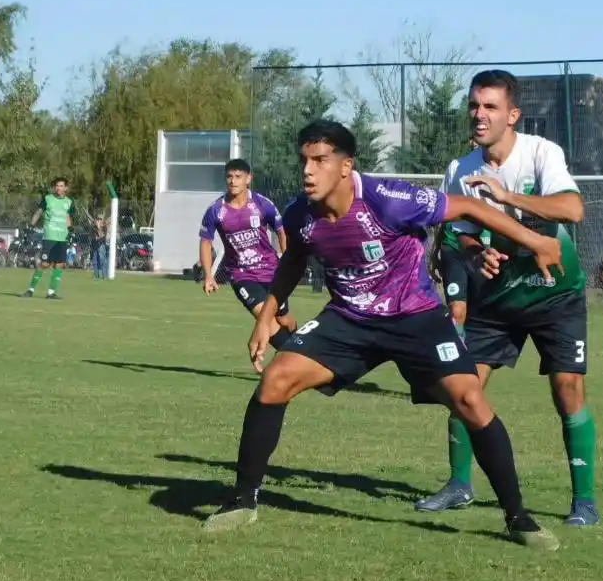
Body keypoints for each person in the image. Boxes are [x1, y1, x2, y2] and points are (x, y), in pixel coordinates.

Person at [202, 119, 565, 549]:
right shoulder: (300, 212)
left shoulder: (389, 199)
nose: (308, 171)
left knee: (469, 398)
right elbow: (294, 259)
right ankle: (243, 500)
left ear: (345, 165)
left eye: (320, 160)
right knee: (276, 379)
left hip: (415, 316)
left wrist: (534, 241)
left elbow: (469, 208)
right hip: (349, 318)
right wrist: (266, 319)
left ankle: (519, 518)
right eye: (304, 160)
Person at [413, 69, 601, 528]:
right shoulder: (460, 170)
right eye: (475, 105)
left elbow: (572, 209)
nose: (480, 114)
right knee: (461, 387)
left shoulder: (541, 153)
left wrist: (507, 195)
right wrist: (478, 256)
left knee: (567, 389)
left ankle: (585, 502)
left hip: (555, 294)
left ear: (512, 115)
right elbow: (458, 238)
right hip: (497, 301)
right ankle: (459, 485)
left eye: (491, 107)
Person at [199, 159, 297, 350]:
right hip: (242, 275)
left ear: (248, 179)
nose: (233, 181)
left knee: (284, 319)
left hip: (272, 272)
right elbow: (205, 242)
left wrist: (287, 260)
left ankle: (299, 352)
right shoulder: (215, 210)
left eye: (238, 177)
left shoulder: (262, 204)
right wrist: (209, 275)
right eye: (229, 177)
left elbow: (281, 230)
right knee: (264, 318)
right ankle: (296, 359)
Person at [22, 177, 75, 300]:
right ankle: (30, 290)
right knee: (45, 264)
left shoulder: (69, 202)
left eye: (61, 186)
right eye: (57, 186)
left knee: (59, 265)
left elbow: (68, 218)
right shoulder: (48, 199)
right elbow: (38, 213)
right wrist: (31, 226)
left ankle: (51, 293)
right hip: (50, 237)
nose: (58, 188)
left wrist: (71, 230)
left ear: (66, 188)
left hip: (62, 238)